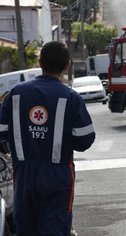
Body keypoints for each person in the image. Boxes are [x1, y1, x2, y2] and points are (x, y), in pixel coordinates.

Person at [0, 41, 95, 235]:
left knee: (25, 229)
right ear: (67, 65)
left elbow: (1, 131)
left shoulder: (16, 94)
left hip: (24, 174)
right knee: (55, 229)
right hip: (57, 176)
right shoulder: (70, 97)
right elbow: (85, 139)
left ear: (40, 63)